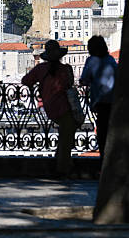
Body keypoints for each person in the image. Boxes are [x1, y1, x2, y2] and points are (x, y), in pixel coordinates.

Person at [22, 40, 76, 177]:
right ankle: (63, 168)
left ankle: (61, 163)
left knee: (65, 135)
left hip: (49, 106)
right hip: (65, 106)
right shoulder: (64, 69)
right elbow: (69, 84)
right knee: (67, 136)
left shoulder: (41, 69)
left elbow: (26, 80)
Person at [80, 35, 117, 163]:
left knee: (102, 132)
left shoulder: (91, 61)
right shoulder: (111, 59)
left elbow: (84, 79)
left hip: (101, 101)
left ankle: (104, 160)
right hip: (114, 100)